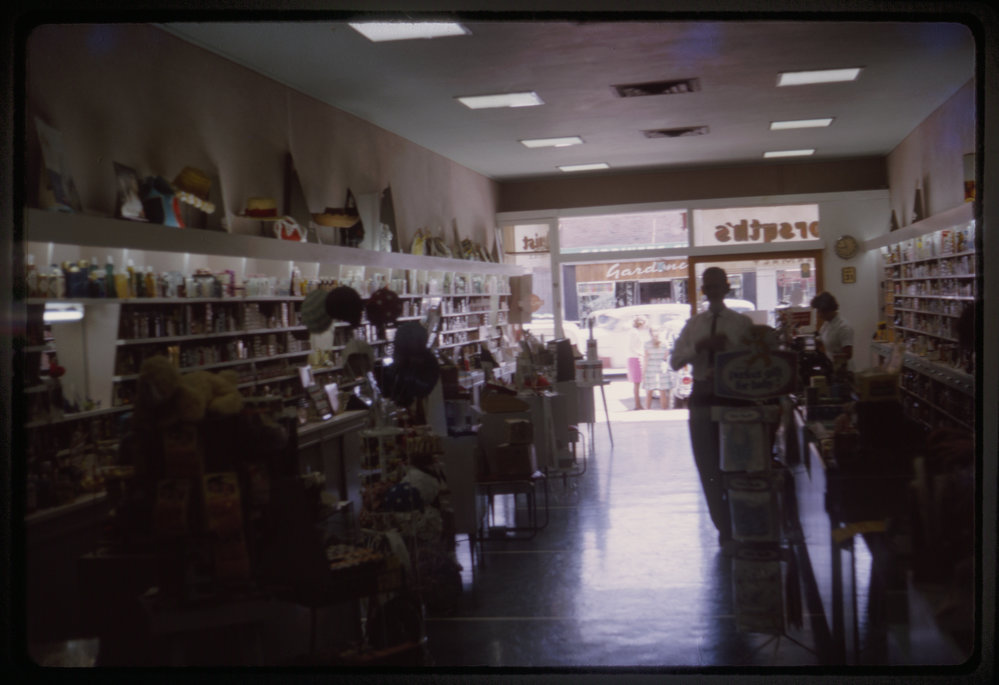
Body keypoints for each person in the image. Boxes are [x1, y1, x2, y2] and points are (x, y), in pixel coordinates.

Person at [671, 267, 754, 553]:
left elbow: (755, 360)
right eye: (709, 286)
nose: (715, 290)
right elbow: (674, 361)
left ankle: (743, 525)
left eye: (719, 285)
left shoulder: (741, 324)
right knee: (708, 467)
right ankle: (724, 530)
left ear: (727, 288)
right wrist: (700, 347)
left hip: (735, 400)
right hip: (702, 399)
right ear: (703, 290)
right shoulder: (694, 325)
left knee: (739, 464)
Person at [810, 291, 854, 372]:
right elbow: (821, 340)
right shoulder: (827, 323)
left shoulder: (843, 327)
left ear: (829, 310)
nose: (819, 315)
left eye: (820, 311)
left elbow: (848, 355)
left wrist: (832, 361)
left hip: (841, 370)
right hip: (830, 366)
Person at [643, 327, 671, 410]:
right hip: (662, 368)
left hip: (650, 368)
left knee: (649, 392)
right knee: (662, 392)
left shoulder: (647, 344)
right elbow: (666, 357)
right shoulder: (665, 343)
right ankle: (664, 410)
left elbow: (646, 359)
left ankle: (647, 410)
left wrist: (643, 373)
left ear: (650, 333)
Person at [627, 316, 647, 410]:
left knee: (637, 383)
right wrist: (641, 354)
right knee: (637, 383)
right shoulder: (635, 333)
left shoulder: (633, 332)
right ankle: (638, 404)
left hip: (633, 357)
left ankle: (638, 404)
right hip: (635, 358)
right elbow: (633, 347)